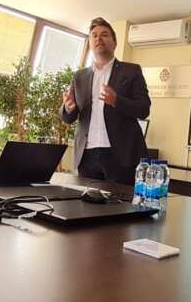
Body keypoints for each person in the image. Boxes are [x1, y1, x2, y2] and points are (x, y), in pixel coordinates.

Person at [60, 17, 151, 185]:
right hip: (86, 155)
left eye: (104, 35)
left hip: (120, 155)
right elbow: (68, 118)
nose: (98, 39)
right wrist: (68, 108)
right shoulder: (79, 76)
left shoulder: (131, 71)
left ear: (114, 42)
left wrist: (117, 100)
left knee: (121, 201)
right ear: (90, 43)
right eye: (94, 35)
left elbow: (144, 109)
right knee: (86, 201)